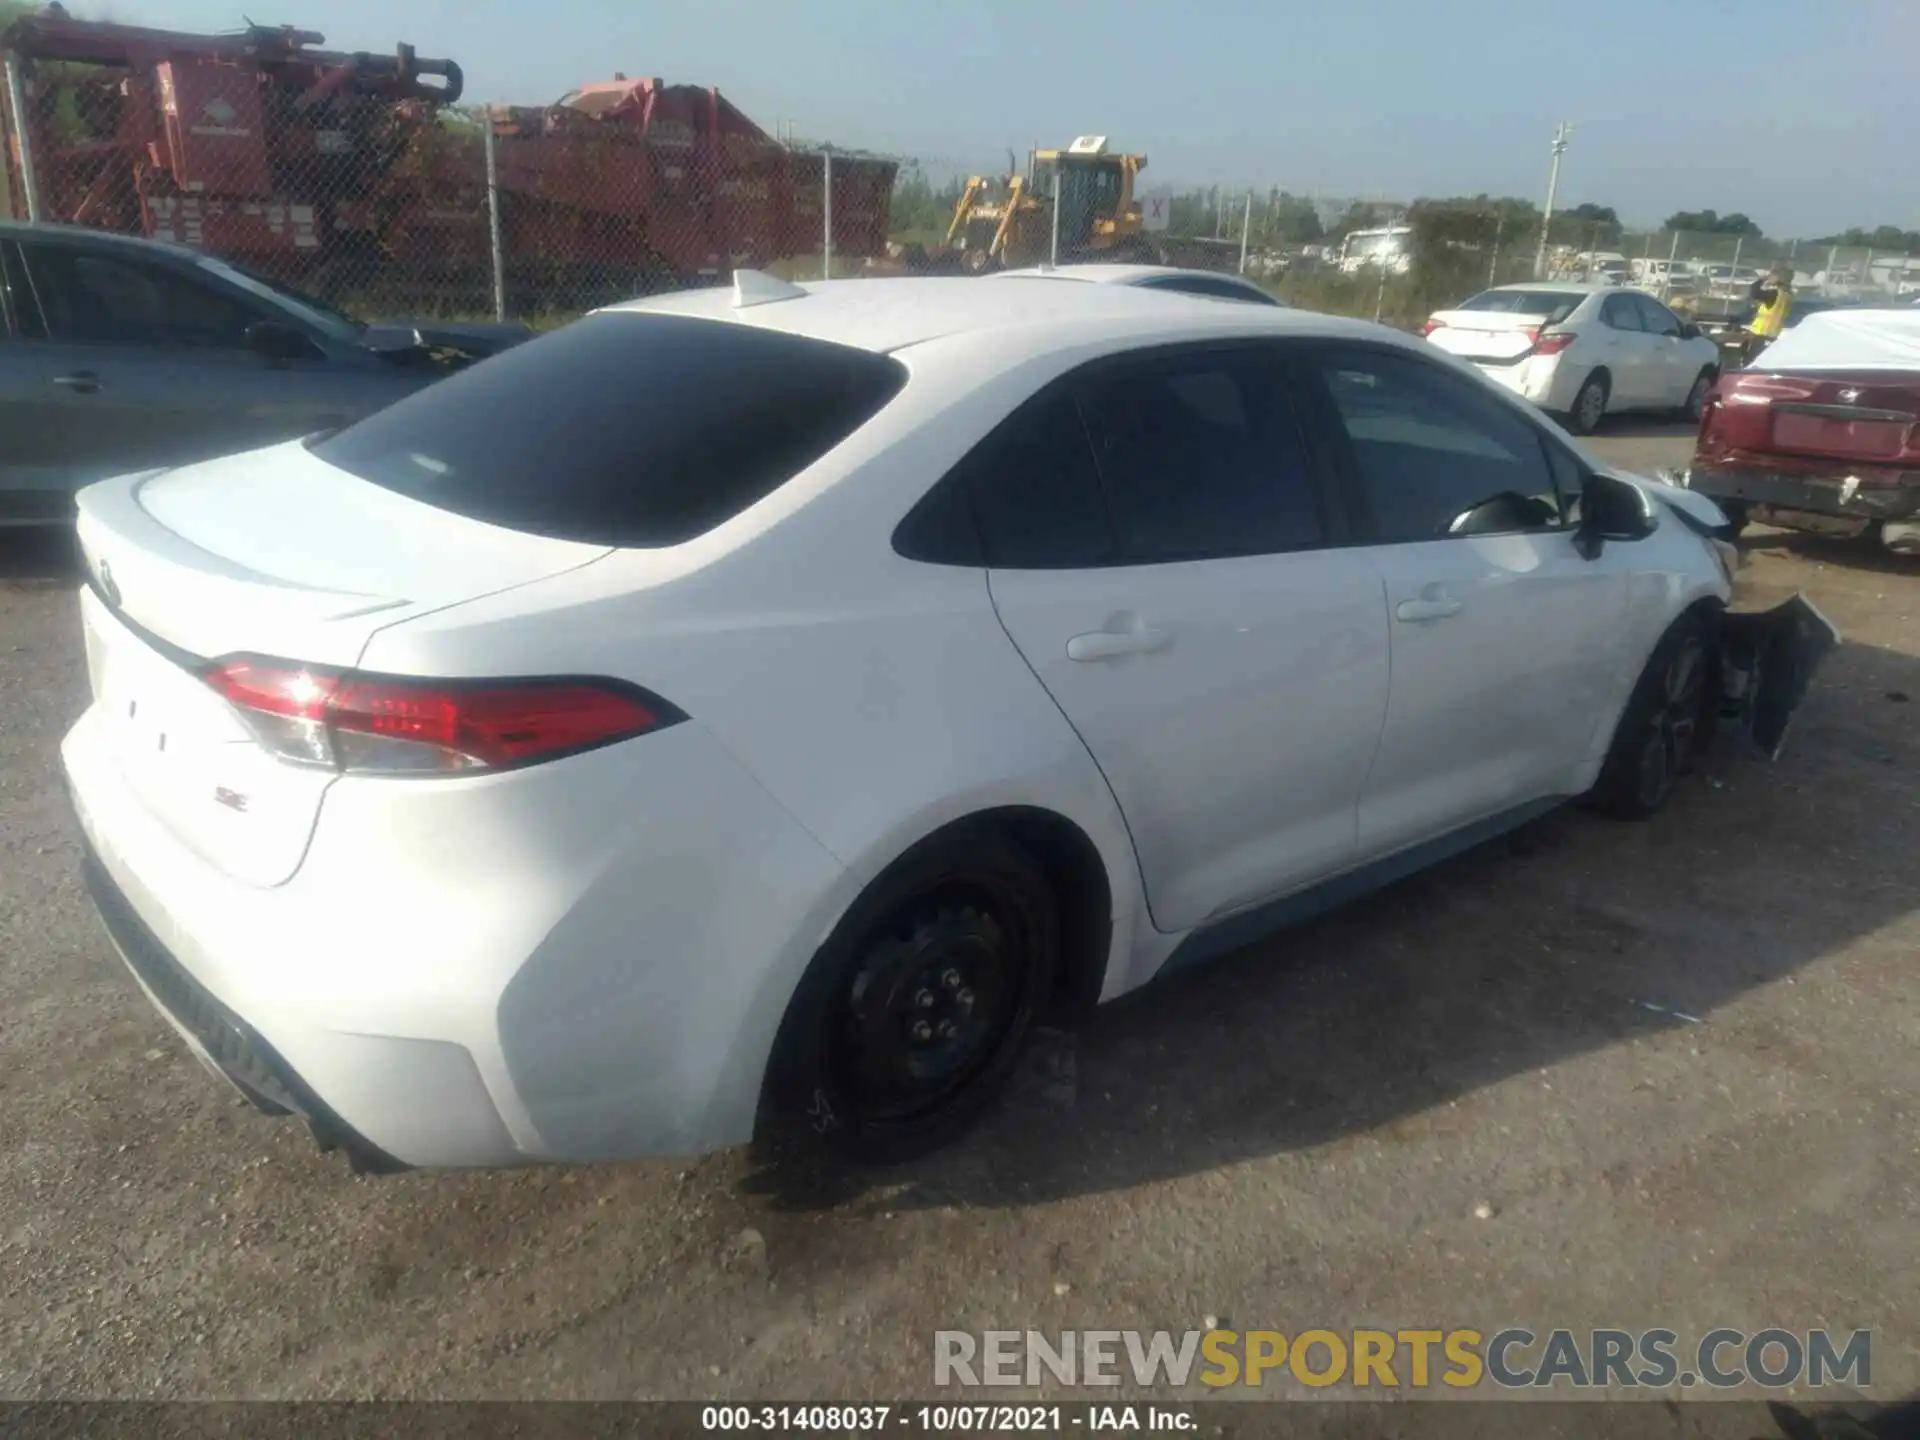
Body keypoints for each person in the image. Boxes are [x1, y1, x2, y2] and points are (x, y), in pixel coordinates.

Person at [1743, 266, 1793, 363]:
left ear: (1778, 277)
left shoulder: (1774, 294)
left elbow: (1755, 293)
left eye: (1771, 275)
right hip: (1772, 335)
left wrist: (1761, 280)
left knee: (1751, 363)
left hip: (1761, 335)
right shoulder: (1788, 294)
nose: (1769, 277)